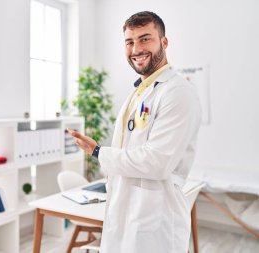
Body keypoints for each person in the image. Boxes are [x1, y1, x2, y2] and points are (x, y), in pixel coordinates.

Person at [68, 11, 201, 252]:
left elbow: (157, 162)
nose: (136, 48)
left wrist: (98, 151)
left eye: (145, 39)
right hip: (125, 213)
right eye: (130, 42)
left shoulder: (178, 92)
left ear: (164, 42)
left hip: (155, 222)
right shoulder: (139, 92)